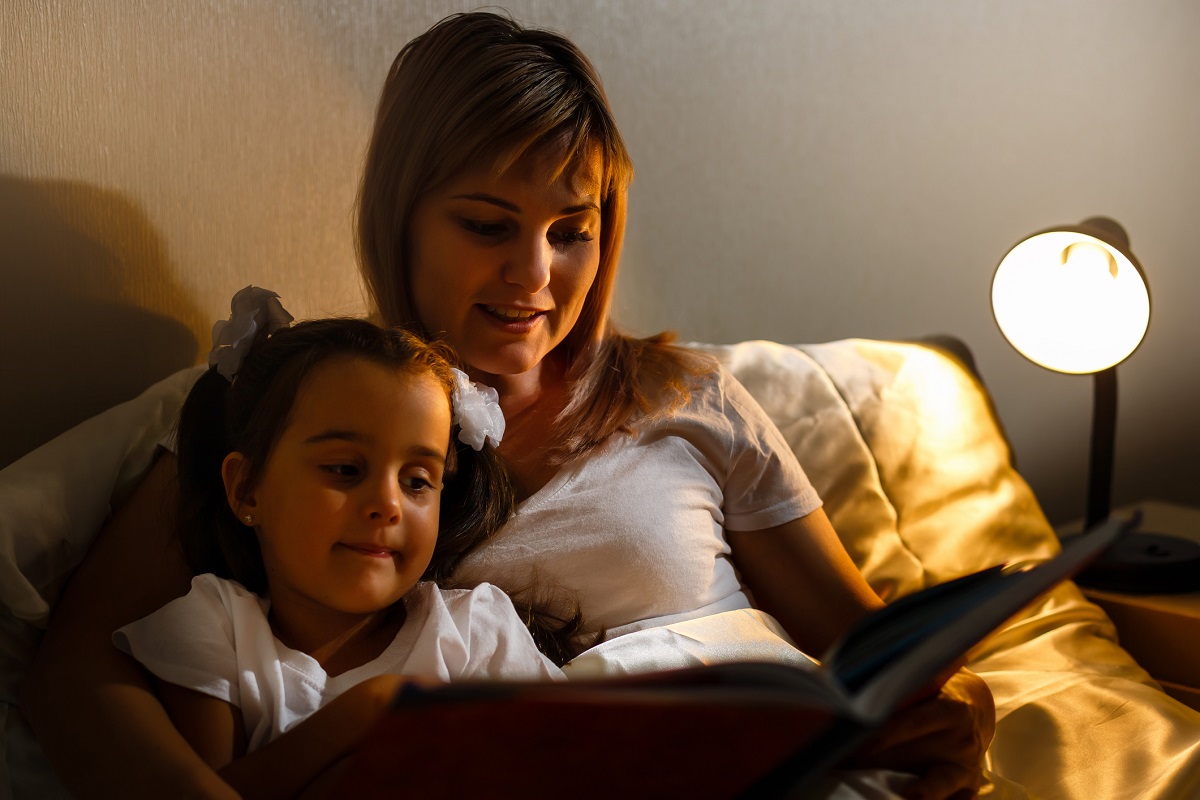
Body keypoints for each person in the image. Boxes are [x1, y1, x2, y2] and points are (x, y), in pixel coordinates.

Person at [22, 11, 995, 800]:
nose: (534, 274)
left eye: (572, 230)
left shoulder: (690, 394)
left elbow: (869, 644)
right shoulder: (304, 405)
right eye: (488, 225)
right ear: (399, 214)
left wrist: (948, 702)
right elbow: (76, 672)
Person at [114, 292, 568, 796]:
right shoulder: (217, 633)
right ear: (247, 489)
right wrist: (364, 713)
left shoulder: (474, 634)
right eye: (346, 470)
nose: (387, 504)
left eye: (417, 481)